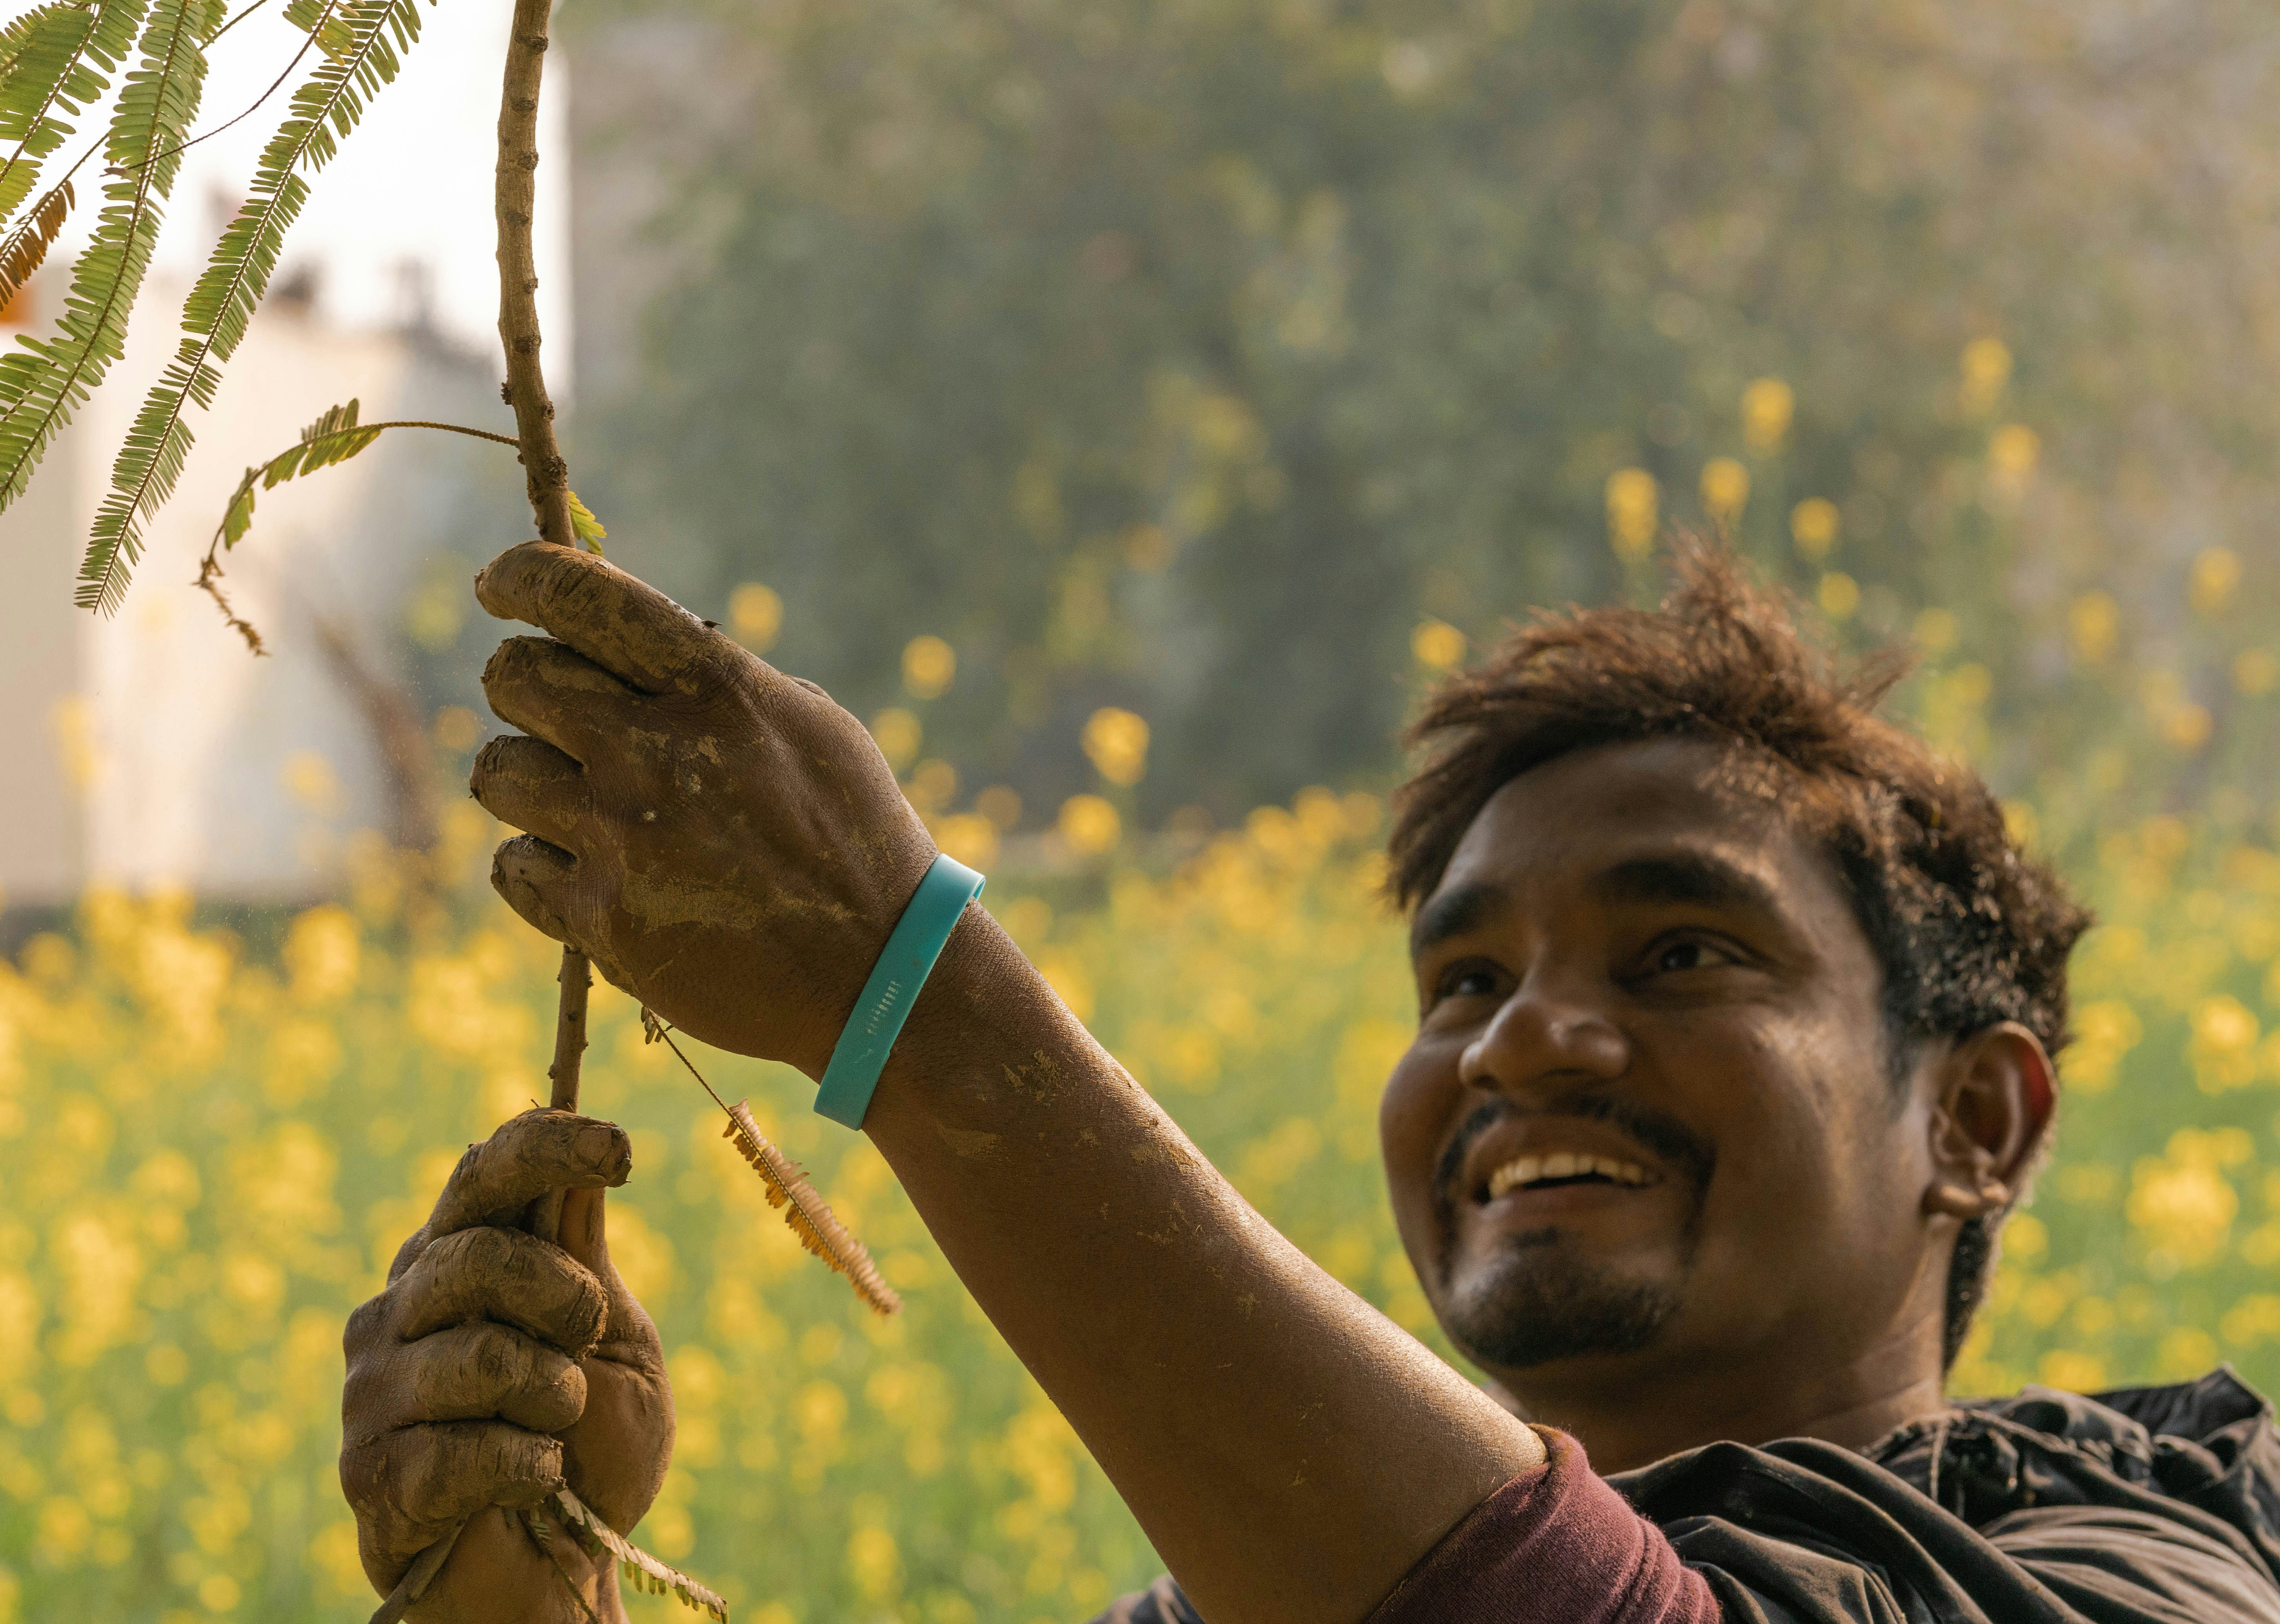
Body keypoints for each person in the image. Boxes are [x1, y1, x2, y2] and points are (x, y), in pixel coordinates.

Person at [339, 539, 2280, 1622]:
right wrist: (519, 1609)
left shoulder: (2158, 1546)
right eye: (1461, 981)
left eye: (1681, 950)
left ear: (1973, 1119)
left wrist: (906, 998)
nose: (1522, 1039)